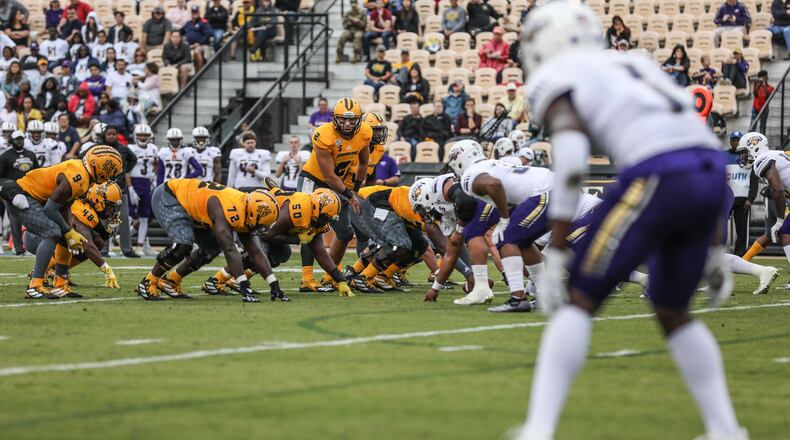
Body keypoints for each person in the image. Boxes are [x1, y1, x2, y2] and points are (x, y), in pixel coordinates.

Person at [512, 3, 747, 439]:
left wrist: (559, 248)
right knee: (671, 308)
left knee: (580, 297)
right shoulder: (636, 63)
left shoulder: (556, 76)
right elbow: (698, 141)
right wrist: (716, 244)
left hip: (659, 173)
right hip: (711, 173)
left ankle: (539, 428)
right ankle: (726, 429)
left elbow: (569, 162)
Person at [0, 145, 122, 299]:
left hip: (36, 199)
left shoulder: (84, 176)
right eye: (111, 171)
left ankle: (60, 284)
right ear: (100, 167)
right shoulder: (79, 176)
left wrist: (68, 231)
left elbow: (64, 207)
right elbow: (50, 209)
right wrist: (68, 230)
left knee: (65, 239)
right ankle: (35, 285)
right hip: (23, 195)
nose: (110, 177)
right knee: (52, 233)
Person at [135, 178, 280, 302]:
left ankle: (171, 281)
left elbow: (255, 252)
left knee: (211, 248)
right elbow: (229, 249)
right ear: (254, 214)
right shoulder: (228, 209)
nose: (264, 228)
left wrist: (274, 284)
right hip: (170, 195)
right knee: (183, 244)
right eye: (263, 224)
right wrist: (244, 285)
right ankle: (148, 282)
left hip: (196, 210)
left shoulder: (246, 210)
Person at [202, 185, 350, 300]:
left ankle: (236, 280)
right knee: (260, 253)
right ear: (316, 208)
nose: (328, 222)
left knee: (283, 253)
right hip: (259, 220)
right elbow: (267, 235)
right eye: (326, 217)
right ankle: (215, 280)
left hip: (269, 227)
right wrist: (296, 239)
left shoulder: (315, 217)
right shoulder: (296, 211)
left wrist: (340, 280)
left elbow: (320, 252)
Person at [297, 97, 372, 292]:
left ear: (359, 120)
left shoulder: (364, 132)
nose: (347, 124)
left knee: (346, 233)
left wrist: (355, 188)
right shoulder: (323, 134)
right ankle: (306, 278)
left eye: (352, 119)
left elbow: (364, 163)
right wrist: (349, 194)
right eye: (343, 119)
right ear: (334, 118)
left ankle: (330, 276)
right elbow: (328, 176)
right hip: (314, 181)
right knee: (310, 229)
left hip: (339, 184)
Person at [23, 182, 123, 288]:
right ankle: (42, 272)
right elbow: (87, 245)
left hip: (45, 237)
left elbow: (99, 241)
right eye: (110, 206)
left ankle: (56, 271)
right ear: (99, 201)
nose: (112, 211)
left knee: (97, 243)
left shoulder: (89, 207)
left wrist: (110, 228)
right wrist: (106, 268)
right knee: (79, 243)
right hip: (36, 237)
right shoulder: (82, 210)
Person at [0, 130, 38, 255]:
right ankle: (18, 248)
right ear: (12, 140)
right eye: (17, 139)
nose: (19, 141)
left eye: (21, 139)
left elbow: (37, 173)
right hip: (11, 193)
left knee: (32, 220)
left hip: (29, 191)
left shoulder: (31, 154)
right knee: (15, 221)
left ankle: (31, 247)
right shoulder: (5, 156)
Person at [724, 130, 757, 256]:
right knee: (720, 227)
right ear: (730, 141)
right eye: (734, 140)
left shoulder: (749, 159)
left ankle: (740, 254)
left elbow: (754, 182)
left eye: (739, 140)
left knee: (742, 229)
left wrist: (751, 199)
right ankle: (721, 253)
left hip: (742, 199)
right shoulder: (723, 156)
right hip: (726, 198)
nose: (736, 142)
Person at [127, 123, 158, 256]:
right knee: (128, 216)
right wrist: (130, 188)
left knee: (145, 217)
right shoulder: (130, 148)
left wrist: (153, 175)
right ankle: (120, 243)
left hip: (146, 183)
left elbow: (156, 164)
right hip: (133, 182)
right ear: (136, 136)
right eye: (141, 135)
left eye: (145, 135)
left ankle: (140, 246)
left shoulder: (153, 148)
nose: (143, 137)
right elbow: (126, 170)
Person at [183, 6, 212, 73]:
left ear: (199, 13)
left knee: (196, 51)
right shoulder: (188, 23)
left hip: (202, 45)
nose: (194, 14)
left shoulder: (204, 22)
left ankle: (200, 73)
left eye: (196, 12)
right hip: (189, 45)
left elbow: (208, 34)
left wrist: (199, 43)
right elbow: (180, 31)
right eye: (193, 12)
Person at [752, 70, 773, 134]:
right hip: (755, 108)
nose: (762, 79)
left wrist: (764, 85)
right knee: (752, 126)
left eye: (764, 77)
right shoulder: (757, 86)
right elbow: (755, 95)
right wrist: (755, 85)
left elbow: (768, 96)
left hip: (764, 109)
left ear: (767, 78)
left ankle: (762, 142)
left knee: (762, 128)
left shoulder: (770, 87)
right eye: (761, 78)